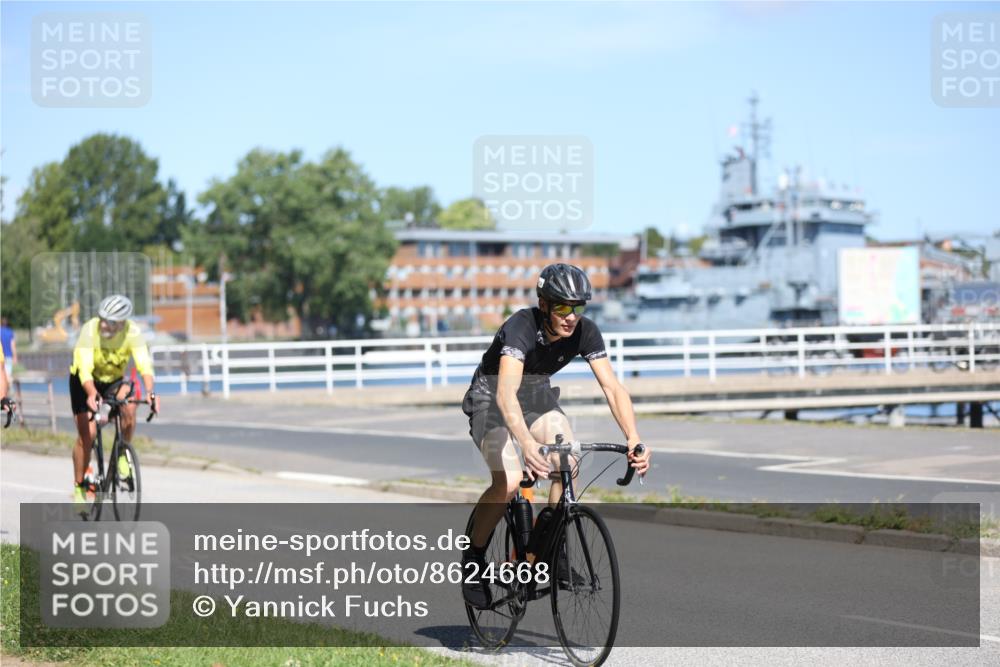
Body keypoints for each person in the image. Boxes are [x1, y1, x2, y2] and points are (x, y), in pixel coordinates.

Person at [460, 263, 651, 608]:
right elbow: (505, 394)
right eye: (563, 307)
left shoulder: (585, 331)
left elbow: (612, 387)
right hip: (491, 396)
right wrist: (527, 443)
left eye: (579, 307)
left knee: (568, 458)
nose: (571, 316)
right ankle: (473, 559)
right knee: (510, 480)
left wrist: (633, 438)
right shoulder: (521, 326)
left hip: (535, 396)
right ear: (544, 304)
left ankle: (552, 550)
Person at [68, 295, 160, 510]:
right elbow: (85, 370)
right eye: (101, 318)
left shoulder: (132, 332)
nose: (102, 324)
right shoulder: (90, 331)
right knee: (87, 435)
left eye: (108, 321)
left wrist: (150, 392)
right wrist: (91, 393)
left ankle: (121, 453)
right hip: (84, 380)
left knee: (129, 405)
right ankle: (80, 486)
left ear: (121, 324)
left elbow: (145, 365)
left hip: (113, 380)